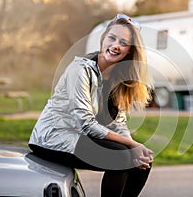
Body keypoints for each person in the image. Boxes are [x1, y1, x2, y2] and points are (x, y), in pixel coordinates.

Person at [28, 13, 154, 197]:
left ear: (130, 51)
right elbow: (85, 123)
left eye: (123, 43)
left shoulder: (118, 78)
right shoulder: (80, 70)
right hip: (53, 138)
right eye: (112, 38)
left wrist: (134, 148)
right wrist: (131, 144)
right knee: (121, 157)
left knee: (143, 161)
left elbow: (118, 124)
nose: (115, 45)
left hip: (78, 138)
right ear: (103, 39)